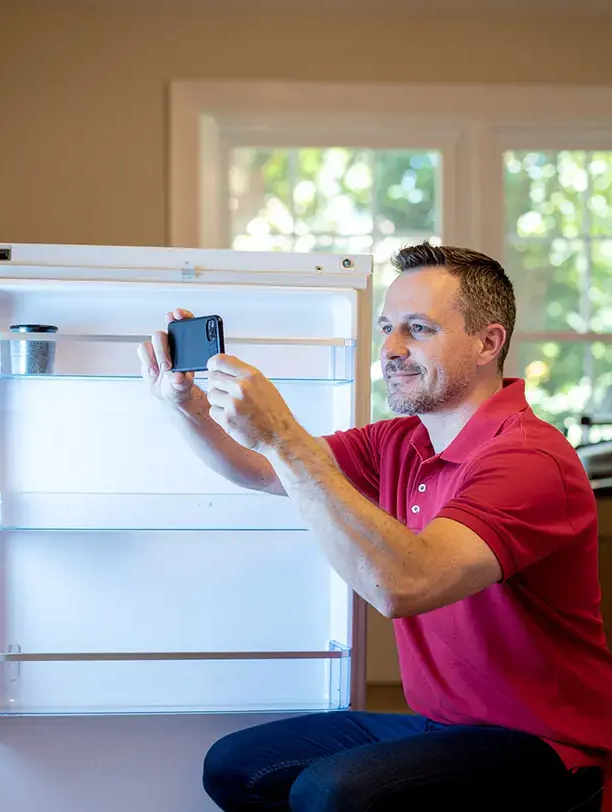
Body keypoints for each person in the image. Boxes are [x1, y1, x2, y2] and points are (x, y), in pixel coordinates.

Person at [137, 242, 612, 812]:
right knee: (236, 766)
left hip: (545, 747)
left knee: (331, 793)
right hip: (445, 727)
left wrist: (283, 435)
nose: (390, 348)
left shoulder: (529, 460)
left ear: (488, 342)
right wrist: (184, 409)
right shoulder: (401, 440)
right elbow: (267, 471)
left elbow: (405, 584)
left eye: (418, 328)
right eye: (388, 327)